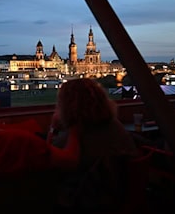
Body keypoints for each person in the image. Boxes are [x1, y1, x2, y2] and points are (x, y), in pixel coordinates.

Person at [49, 78, 138, 213]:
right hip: (117, 196)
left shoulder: (73, 138)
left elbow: (49, 160)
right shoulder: (116, 127)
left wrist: (53, 129)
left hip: (84, 202)